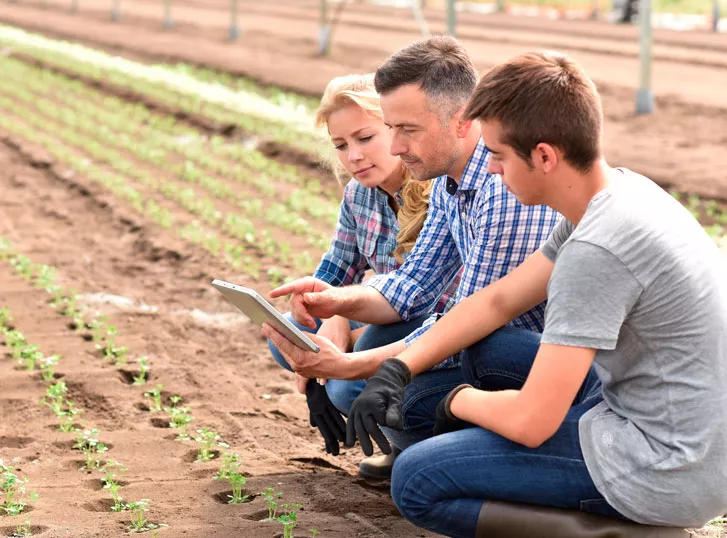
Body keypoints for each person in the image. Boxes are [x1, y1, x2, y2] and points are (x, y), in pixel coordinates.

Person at [345, 51, 726, 537]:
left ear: (544, 155)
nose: (493, 171)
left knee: (417, 478)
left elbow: (531, 423)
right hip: (685, 430)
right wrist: (398, 368)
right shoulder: (617, 195)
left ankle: (632, 534)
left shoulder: (598, 249)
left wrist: (456, 402)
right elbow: (497, 301)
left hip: (667, 468)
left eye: (499, 156)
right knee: (491, 347)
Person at [264, 36, 559, 468]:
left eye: (404, 130)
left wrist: (355, 366)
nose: (396, 146)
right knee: (323, 353)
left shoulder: (501, 190)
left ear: (460, 121)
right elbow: (413, 284)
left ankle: (485, 455)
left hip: (527, 357)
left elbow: (464, 327)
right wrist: (334, 301)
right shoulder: (447, 180)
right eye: (392, 128)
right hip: (481, 344)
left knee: (374, 398)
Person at [266, 72, 457, 459]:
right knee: (284, 334)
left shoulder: (437, 189)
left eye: (365, 138)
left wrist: (347, 338)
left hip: (431, 329)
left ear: (394, 129)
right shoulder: (359, 196)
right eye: (341, 145)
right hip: (383, 311)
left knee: (352, 368)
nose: (353, 155)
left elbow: (432, 300)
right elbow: (334, 271)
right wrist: (332, 314)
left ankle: (419, 450)